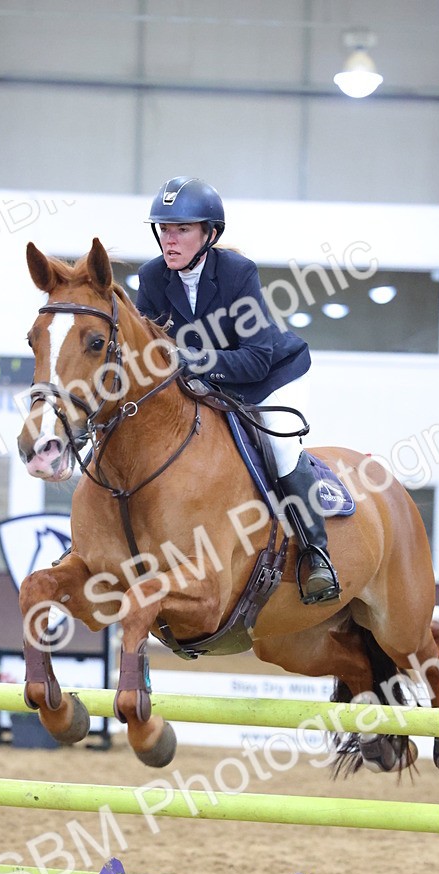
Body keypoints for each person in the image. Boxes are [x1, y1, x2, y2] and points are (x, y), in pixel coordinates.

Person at [136, 175, 340, 604]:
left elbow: (255, 358)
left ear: (209, 234)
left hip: (269, 375)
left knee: (279, 449)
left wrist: (190, 362)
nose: (170, 240)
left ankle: (316, 554)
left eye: (182, 230)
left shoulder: (236, 274)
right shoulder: (152, 278)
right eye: (165, 230)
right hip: (204, 383)